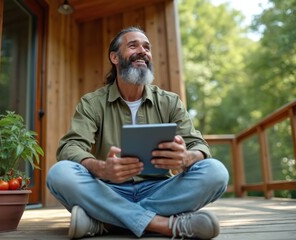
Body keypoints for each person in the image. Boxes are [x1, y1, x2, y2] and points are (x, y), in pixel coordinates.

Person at [46, 26, 229, 239]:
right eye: (133, 45)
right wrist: (103, 169)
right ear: (114, 57)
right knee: (60, 173)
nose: (143, 51)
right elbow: (70, 147)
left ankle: (106, 223)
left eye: (147, 47)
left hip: (161, 190)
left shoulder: (170, 102)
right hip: (109, 190)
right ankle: (167, 225)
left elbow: (199, 145)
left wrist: (186, 157)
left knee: (216, 172)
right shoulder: (92, 103)